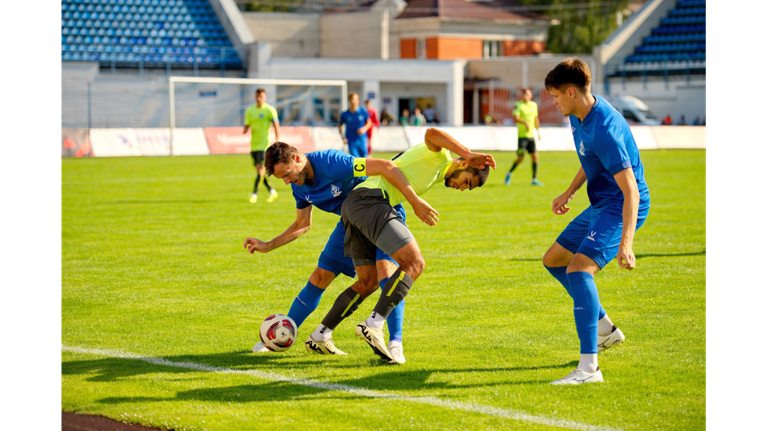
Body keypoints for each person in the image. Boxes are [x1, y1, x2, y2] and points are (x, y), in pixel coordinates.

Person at [305, 128, 496, 363]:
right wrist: (466, 151)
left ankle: (320, 335)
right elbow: (431, 132)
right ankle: (374, 324)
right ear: (465, 164)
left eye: (468, 188)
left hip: (355, 206)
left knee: (368, 282)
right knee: (414, 263)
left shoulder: (437, 172)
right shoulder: (439, 156)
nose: (463, 188)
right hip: (370, 201)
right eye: (467, 182)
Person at [244, 142, 439, 364]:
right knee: (319, 277)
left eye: (287, 174)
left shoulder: (331, 162)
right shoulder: (298, 185)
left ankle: (396, 344)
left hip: (380, 211)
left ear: (297, 158)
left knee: (386, 275)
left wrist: (414, 199)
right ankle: (281, 334)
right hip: (350, 223)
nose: (287, 181)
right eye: (282, 179)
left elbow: (385, 166)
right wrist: (268, 245)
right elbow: (302, 223)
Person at [542, 58, 650, 385]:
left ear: (571, 92)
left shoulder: (605, 129)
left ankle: (589, 369)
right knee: (554, 260)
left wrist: (626, 244)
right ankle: (605, 329)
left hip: (620, 204)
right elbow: (590, 159)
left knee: (579, 269)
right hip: (601, 202)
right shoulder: (579, 115)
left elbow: (630, 190)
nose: (554, 102)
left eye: (556, 96)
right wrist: (569, 192)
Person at [243, 88, 279, 204]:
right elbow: (247, 124)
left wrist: (277, 140)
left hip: (264, 144)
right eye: (257, 96)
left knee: (260, 171)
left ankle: (254, 194)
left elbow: (276, 125)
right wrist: (245, 129)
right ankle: (272, 191)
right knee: (261, 172)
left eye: (261, 97)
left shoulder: (269, 110)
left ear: (265, 97)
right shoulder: (250, 110)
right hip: (254, 145)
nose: (259, 99)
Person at [505, 88, 544, 187]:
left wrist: (538, 131)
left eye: (527, 94)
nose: (525, 96)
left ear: (531, 96)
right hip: (522, 136)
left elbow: (536, 118)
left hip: (531, 135)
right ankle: (509, 173)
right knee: (520, 158)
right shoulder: (518, 105)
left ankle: (534, 179)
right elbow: (516, 118)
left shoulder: (534, 105)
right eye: (524, 94)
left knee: (535, 156)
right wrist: (525, 122)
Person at [338, 92, 372, 158]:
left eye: (354, 99)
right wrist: (342, 137)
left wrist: (364, 129)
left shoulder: (363, 111)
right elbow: (339, 125)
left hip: (361, 139)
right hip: (351, 140)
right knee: (355, 159)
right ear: (349, 101)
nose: (353, 101)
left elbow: (369, 123)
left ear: (358, 101)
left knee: (365, 158)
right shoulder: (345, 114)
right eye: (351, 99)